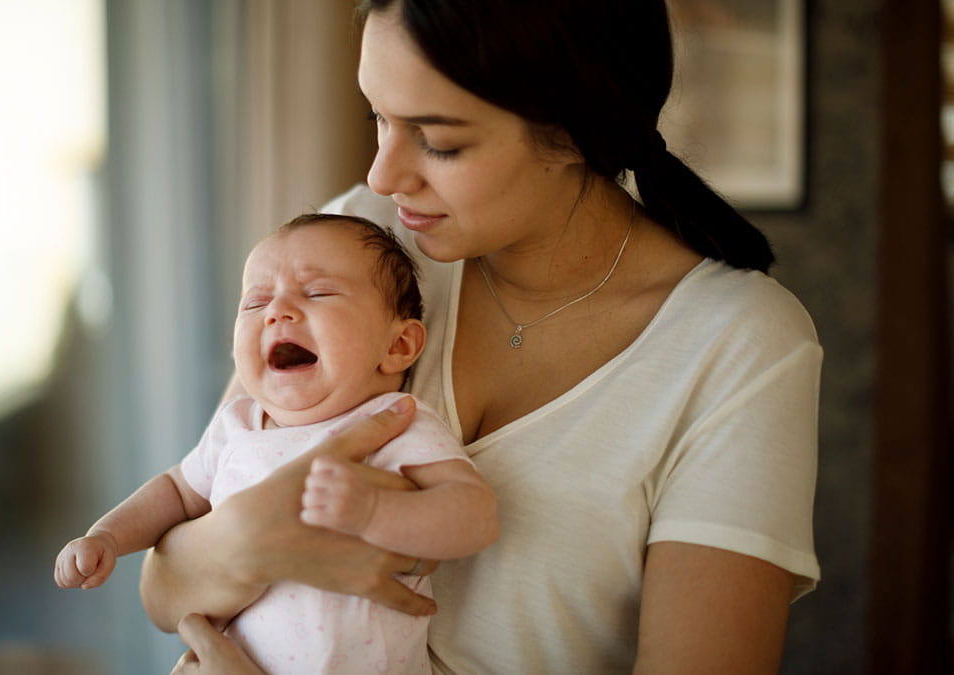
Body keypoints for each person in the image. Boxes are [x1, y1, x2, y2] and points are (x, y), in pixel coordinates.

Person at [144, 1, 823, 673]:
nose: (383, 174)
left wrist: (251, 548)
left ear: (572, 132)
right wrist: (244, 540)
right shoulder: (356, 251)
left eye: (438, 140)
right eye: (377, 116)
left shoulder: (738, 347)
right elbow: (165, 585)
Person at [54, 213, 498, 674]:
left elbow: (476, 515)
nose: (277, 311)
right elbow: (175, 492)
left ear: (399, 346)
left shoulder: (394, 423)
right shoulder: (237, 424)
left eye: (318, 293)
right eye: (255, 302)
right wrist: (107, 535)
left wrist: (373, 511)